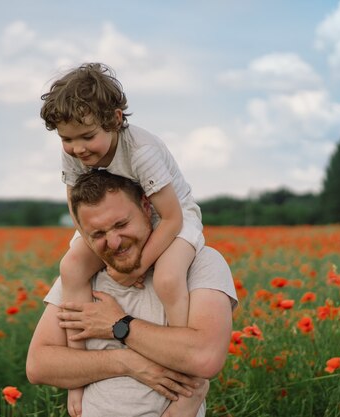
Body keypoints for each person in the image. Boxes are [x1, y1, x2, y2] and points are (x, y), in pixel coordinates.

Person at [40, 63, 205, 410]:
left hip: (170, 215)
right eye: (67, 139)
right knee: (70, 267)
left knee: (169, 277)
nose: (78, 149)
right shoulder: (73, 151)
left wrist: (135, 266)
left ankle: (190, 378)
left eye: (87, 137)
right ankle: (78, 376)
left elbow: (173, 218)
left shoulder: (141, 151)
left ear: (115, 120)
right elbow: (75, 204)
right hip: (110, 221)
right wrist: (99, 250)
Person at [26, 170, 237, 417]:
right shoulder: (83, 275)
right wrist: (126, 363)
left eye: (121, 224)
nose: (114, 242)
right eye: (98, 234)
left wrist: (119, 325)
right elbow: (39, 365)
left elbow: (205, 357)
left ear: (147, 207)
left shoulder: (200, 263)